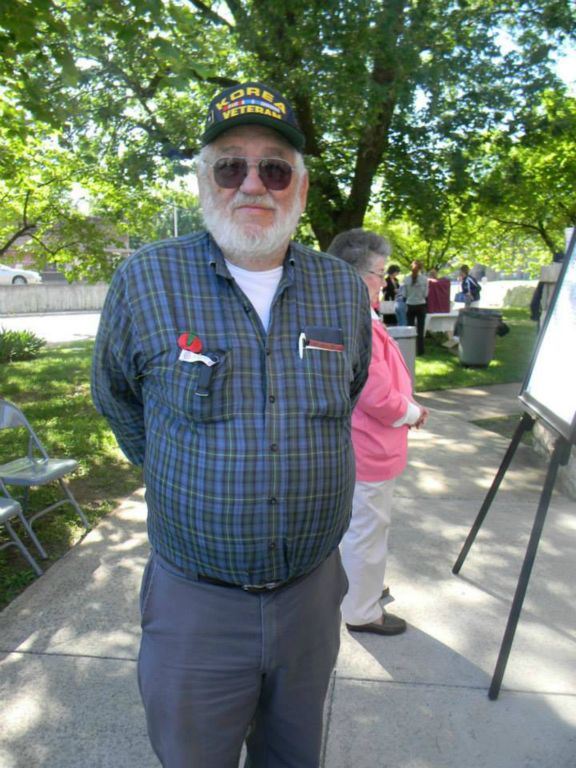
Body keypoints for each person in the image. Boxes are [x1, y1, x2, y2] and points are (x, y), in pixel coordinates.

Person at [91, 82, 372, 768]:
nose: (254, 184)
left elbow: (354, 385)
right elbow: (117, 398)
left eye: (275, 167)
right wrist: (175, 474)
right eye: (230, 166)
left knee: (294, 758)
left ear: (300, 189)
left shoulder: (341, 289)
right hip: (196, 609)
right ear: (204, 182)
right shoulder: (146, 280)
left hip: (310, 598)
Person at [327, 229, 429, 636]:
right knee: (367, 532)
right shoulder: (356, 321)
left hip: (365, 445)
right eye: (379, 272)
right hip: (368, 447)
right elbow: (377, 395)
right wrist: (412, 412)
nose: (384, 280)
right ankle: (362, 611)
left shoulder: (355, 315)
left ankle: (361, 589)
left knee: (362, 529)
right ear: (355, 274)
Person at [404, 259, 428, 355]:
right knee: (421, 329)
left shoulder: (406, 279)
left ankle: (410, 349)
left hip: (410, 305)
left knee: (410, 328)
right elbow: (426, 294)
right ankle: (420, 350)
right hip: (421, 305)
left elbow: (405, 294)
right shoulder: (424, 279)